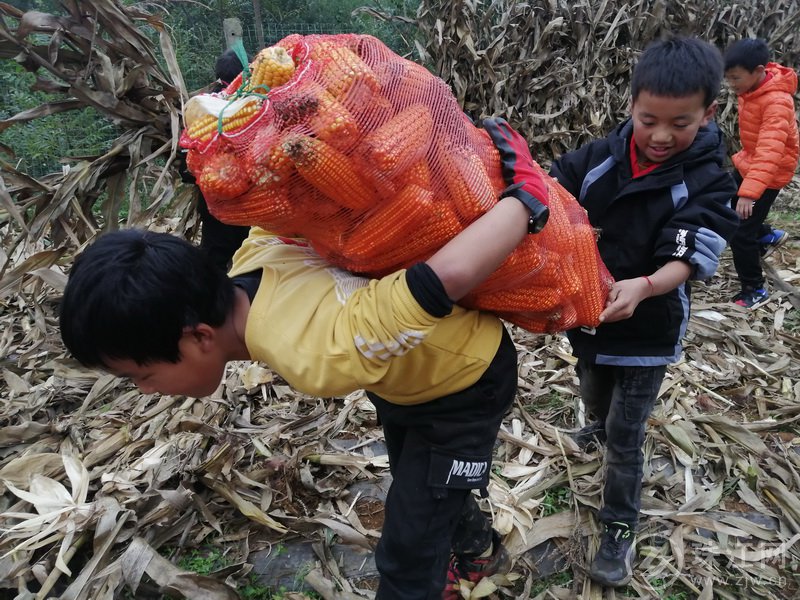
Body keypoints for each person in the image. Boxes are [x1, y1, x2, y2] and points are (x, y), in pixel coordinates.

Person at [59, 118, 550, 599]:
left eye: (142, 375)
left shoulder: (313, 352)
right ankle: (478, 547)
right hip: (405, 379)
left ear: (199, 337)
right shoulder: (253, 256)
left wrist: (527, 197)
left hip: (466, 384)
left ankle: (446, 558)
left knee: (408, 554)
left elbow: (446, 279)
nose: (146, 389)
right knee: (420, 481)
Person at [549, 37, 739, 588]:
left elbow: (689, 253)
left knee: (626, 433)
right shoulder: (600, 158)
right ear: (631, 105)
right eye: (648, 119)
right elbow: (554, 189)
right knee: (592, 387)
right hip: (589, 316)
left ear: (708, 113)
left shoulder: (709, 178)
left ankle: (619, 526)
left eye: (680, 123)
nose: (660, 136)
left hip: (648, 329)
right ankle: (594, 424)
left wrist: (647, 286)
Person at [723, 38, 800, 307]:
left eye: (735, 78)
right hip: (752, 162)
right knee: (727, 201)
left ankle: (754, 289)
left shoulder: (776, 102)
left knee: (740, 233)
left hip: (770, 172)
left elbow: (770, 151)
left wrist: (749, 193)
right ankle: (766, 234)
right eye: (728, 78)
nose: (731, 84)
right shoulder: (754, 89)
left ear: (758, 70)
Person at [180, 48, 250, 270]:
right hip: (248, 198)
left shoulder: (199, 106)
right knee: (250, 253)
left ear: (217, 74)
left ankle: (210, 287)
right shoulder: (252, 105)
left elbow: (186, 160)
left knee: (215, 253)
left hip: (212, 196)